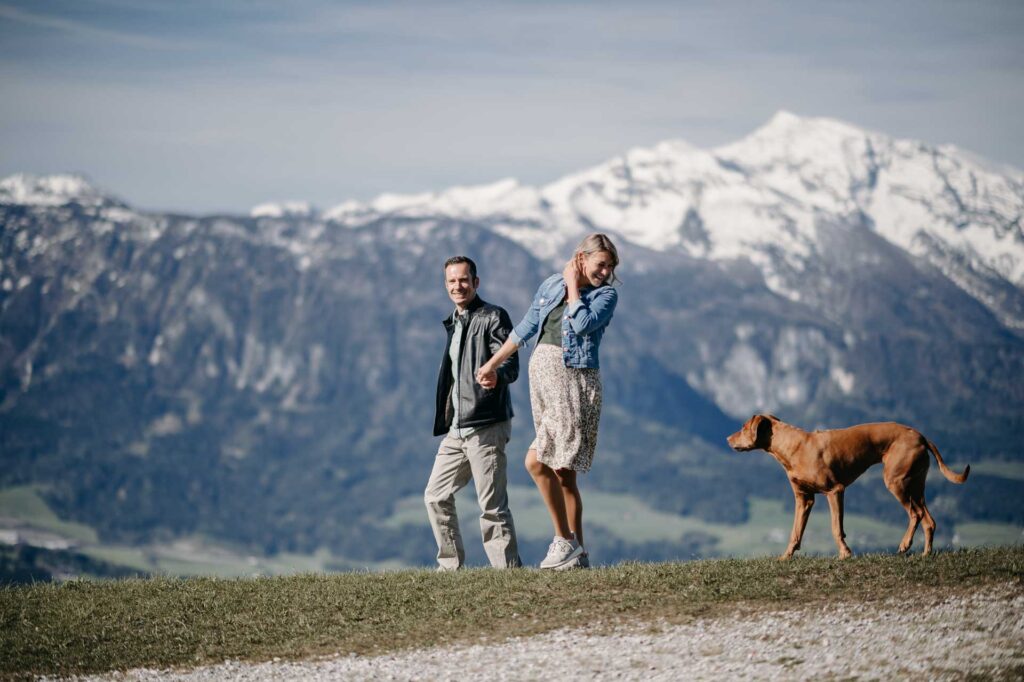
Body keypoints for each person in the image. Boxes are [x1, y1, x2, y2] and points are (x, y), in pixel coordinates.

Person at [477, 233, 620, 569]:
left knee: (539, 461)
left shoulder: (605, 295)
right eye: (602, 264)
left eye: (610, 267)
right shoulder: (550, 285)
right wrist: (491, 363)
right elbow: (526, 327)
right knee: (563, 472)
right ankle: (578, 554)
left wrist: (573, 286)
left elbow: (583, 325)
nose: (606, 272)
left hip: (573, 379)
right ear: (582, 257)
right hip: (542, 379)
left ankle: (564, 540)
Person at [425, 256, 522, 570]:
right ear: (445, 285)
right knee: (435, 496)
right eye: (452, 281)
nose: (458, 286)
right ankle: (450, 566)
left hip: (486, 424)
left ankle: (507, 574)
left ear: (476, 282)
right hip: (457, 428)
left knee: (492, 507)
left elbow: (510, 362)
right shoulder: (454, 321)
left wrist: (498, 374)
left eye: (464, 280)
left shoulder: (493, 316)